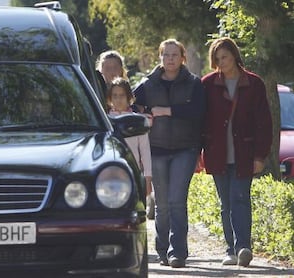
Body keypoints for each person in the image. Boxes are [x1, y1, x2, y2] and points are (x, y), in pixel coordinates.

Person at [133, 38, 206, 268]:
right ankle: (162, 250)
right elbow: (131, 105)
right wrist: (143, 114)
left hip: (185, 149)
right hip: (156, 150)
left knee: (176, 201)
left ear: (183, 58)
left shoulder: (194, 83)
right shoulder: (147, 84)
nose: (170, 59)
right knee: (162, 204)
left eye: (174, 55)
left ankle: (178, 253)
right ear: (160, 58)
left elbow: (198, 112)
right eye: (166, 55)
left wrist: (167, 111)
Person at [201, 37, 272, 267]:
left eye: (225, 56)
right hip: (217, 152)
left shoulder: (254, 83)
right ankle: (229, 249)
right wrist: (199, 152)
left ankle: (243, 247)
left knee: (240, 198)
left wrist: (260, 155)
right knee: (226, 203)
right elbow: (202, 121)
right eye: (217, 58)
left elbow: (264, 123)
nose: (222, 62)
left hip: (244, 152)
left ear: (234, 56)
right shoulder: (208, 84)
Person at [107, 77, 152, 198]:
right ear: (110, 98)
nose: (118, 99)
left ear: (129, 97)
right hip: (109, 173)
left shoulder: (137, 120)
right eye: (115, 96)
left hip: (133, 172)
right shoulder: (105, 120)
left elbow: (145, 150)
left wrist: (147, 179)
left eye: (122, 95)